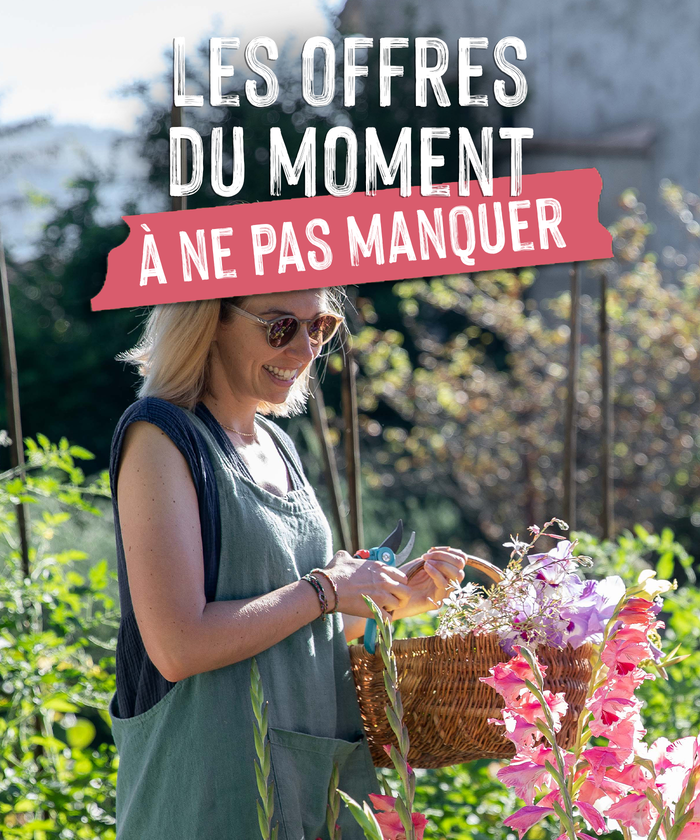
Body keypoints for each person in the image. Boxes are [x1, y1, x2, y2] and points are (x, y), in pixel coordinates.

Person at [108, 288, 466, 840]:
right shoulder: (161, 436)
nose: (304, 350)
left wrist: (382, 600)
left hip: (310, 786)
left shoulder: (275, 442)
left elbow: (298, 625)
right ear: (210, 320)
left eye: (319, 327)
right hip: (212, 795)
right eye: (279, 327)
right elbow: (178, 647)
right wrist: (327, 586)